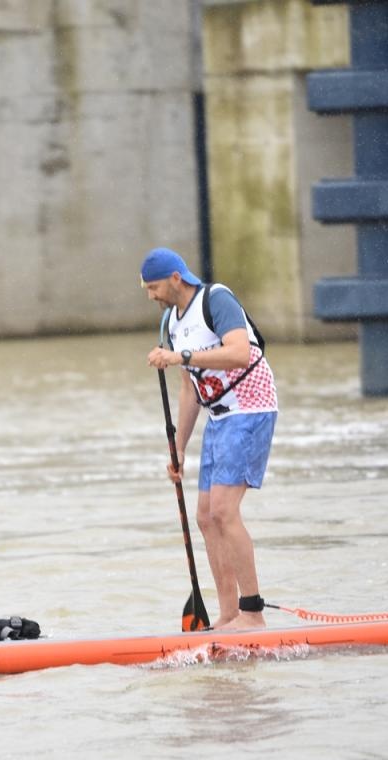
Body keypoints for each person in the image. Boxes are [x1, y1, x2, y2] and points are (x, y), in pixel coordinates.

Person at [142, 247, 278, 631]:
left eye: (153, 287)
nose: (150, 296)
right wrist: (179, 448)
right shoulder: (171, 320)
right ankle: (229, 614)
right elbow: (189, 391)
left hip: (251, 407)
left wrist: (181, 356)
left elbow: (237, 354)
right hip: (219, 417)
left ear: (175, 278)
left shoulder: (216, 299)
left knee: (223, 510)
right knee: (205, 516)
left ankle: (253, 614)